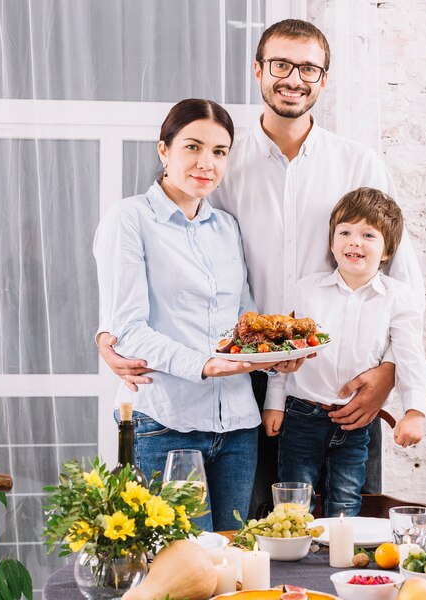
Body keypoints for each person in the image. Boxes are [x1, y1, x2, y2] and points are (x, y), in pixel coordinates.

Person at [98, 20, 425, 512]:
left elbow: (400, 276)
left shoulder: (360, 163)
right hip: (243, 380)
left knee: (345, 527)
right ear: (258, 70)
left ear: (324, 78)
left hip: (339, 382)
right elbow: (177, 252)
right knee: (254, 533)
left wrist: (390, 371)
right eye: (281, 65)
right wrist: (110, 333)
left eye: (309, 68)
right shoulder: (226, 162)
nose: (294, 78)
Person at [93, 99, 285, 532]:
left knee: (230, 566)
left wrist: (274, 355)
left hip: (238, 425)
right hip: (167, 424)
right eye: (193, 147)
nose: (206, 162)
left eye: (219, 152)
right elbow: (126, 330)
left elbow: (243, 317)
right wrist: (204, 364)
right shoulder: (129, 219)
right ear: (164, 150)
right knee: (182, 575)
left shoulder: (227, 228)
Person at [262, 188, 426, 516]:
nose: (354, 241)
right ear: (332, 241)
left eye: (368, 234)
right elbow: (284, 351)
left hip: (355, 422)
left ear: (387, 250)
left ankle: (335, 564)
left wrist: (414, 412)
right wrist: (274, 404)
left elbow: (409, 354)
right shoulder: (305, 289)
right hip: (301, 415)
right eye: (345, 232)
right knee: (294, 503)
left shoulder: (398, 297)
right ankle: (298, 564)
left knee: (345, 504)